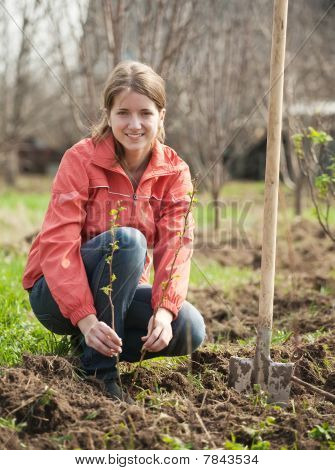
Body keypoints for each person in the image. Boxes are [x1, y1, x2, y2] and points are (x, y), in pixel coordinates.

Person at [22, 61, 206, 401]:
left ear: (161, 116)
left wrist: (164, 313)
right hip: (54, 294)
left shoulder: (174, 171)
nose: (134, 124)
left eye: (145, 113)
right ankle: (98, 374)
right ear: (108, 114)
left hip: (115, 293)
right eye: (123, 112)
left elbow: (176, 246)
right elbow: (58, 244)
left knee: (189, 328)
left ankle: (96, 343)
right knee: (129, 242)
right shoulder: (80, 159)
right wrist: (86, 318)